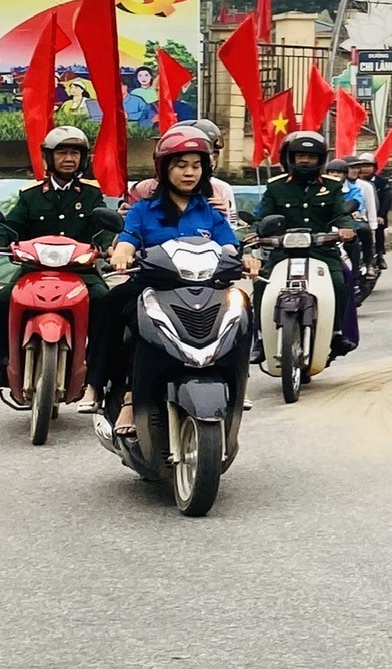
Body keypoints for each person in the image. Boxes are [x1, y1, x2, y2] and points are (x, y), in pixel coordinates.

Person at [110, 124, 252, 439]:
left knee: (241, 309)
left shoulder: (211, 212)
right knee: (126, 317)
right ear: (165, 168)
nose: (189, 173)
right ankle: (126, 396)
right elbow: (128, 238)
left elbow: (229, 247)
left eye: (196, 166)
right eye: (181, 165)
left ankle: (237, 379)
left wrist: (246, 260)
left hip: (205, 288)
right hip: (155, 288)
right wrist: (122, 254)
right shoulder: (144, 209)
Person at [0, 125, 118, 395]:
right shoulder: (30, 196)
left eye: (75, 154)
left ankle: (98, 366)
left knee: (105, 303)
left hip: (80, 271)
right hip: (34, 271)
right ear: (49, 157)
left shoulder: (91, 195)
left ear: (83, 159)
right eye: (62, 153)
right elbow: (11, 225)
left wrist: (110, 247)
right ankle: (1, 363)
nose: (69, 159)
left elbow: (103, 228)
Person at [253, 130, 363, 357]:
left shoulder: (332, 186)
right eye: (300, 156)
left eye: (311, 157)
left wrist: (347, 228)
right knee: (261, 285)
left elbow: (341, 213)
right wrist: (253, 232)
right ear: (291, 158)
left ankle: (336, 334)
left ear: (320, 160)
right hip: (283, 252)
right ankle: (261, 339)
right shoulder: (276, 186)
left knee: (339, 282)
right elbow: (261, 217)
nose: (305, 160)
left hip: (322, 250)